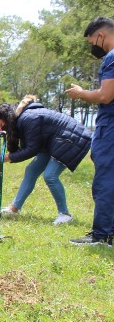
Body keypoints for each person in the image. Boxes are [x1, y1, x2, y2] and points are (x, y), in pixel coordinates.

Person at [0, 96, 91, 226]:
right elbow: (32, 145)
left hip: (70, 139)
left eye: (2, 125)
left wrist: (9, 157)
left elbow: (32, 149)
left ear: (7, 119)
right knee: (31, 170)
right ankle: (14, 208)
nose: (2, 129)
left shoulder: (28, 119)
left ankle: (65, 214)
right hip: (53, 142)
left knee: (50, 175)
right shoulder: (22, 119)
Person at [65, 16, 114, 246]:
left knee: (105, 179)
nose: (93, 46)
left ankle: (101, 234)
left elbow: (105, 95)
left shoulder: (111, 57)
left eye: (92, 41)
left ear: (100, 36)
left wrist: (81, 93)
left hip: (110, 127)